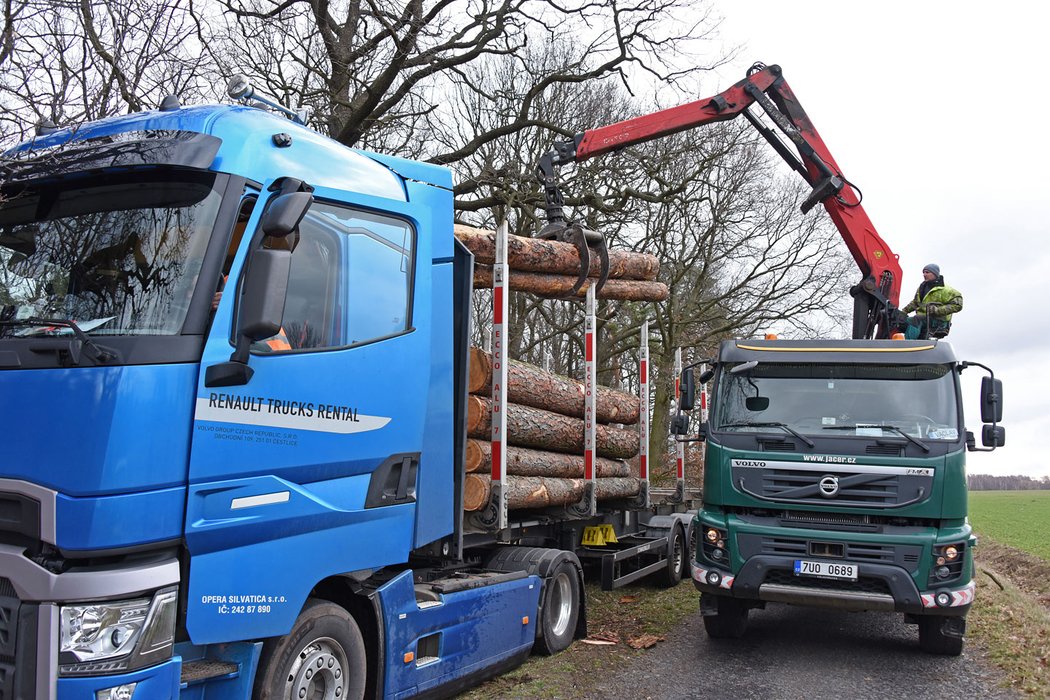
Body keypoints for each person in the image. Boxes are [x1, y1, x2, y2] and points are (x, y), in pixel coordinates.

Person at [897, 263, 963, 339]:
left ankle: (908, 344)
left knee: (917, 319)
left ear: (935, 274)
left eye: (927, 272)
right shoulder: (922, 288)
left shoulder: (946, 290)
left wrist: (937, 310)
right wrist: (904, 312)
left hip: (939, 321)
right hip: (924, 319)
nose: (924, 274)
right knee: (900, 321)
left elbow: (958, 305)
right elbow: (915, 302)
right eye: (923, 272)